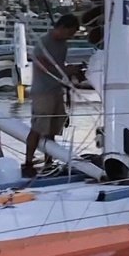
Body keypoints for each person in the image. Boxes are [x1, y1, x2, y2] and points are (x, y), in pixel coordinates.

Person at [24, 14, 81, 175]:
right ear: (62, 27)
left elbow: (59, 67)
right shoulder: (44, 42)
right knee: (38, 127)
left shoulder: (63, 45)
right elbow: (44, 65)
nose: (70, 37)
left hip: (56, 90)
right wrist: (66, 70)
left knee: (52, 129)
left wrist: (70, 73)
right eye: (70, 33)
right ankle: (28, 163)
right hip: (42, 92)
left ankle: (49, 161)